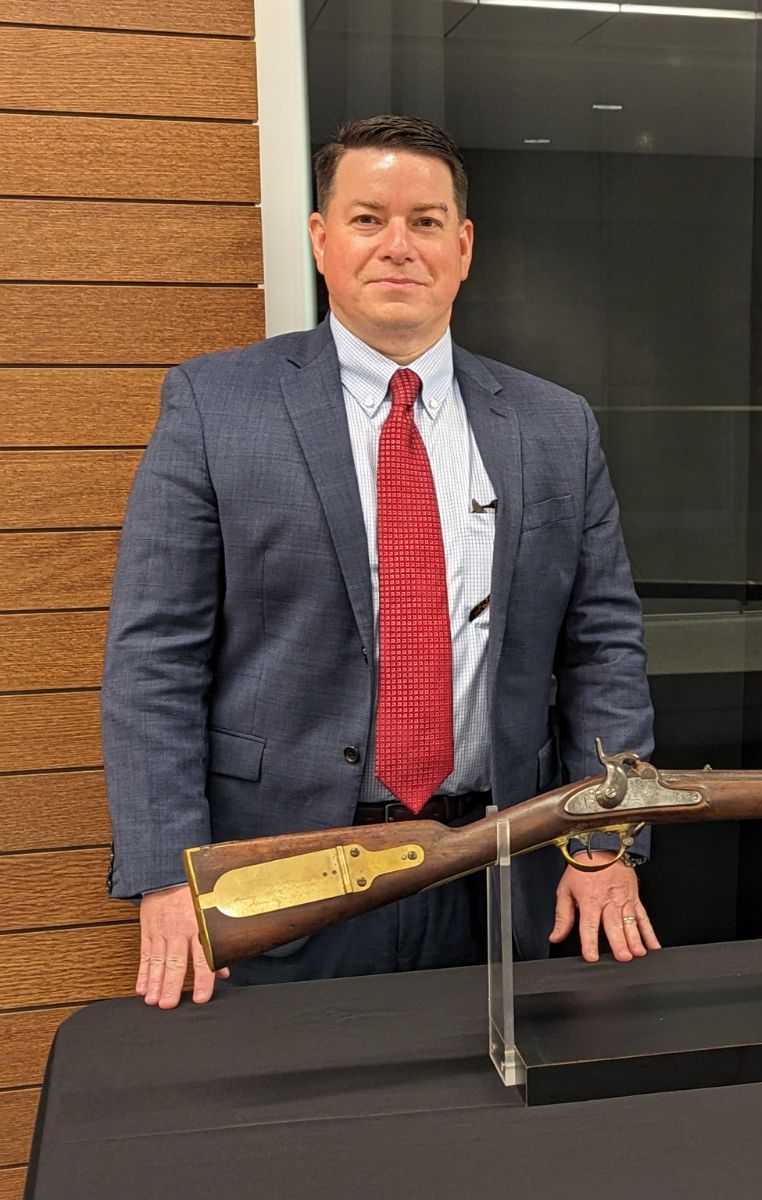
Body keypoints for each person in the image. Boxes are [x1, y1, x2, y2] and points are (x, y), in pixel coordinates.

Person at [102, 115, 658, 1007]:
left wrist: (605, 843)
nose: (398, 246)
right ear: (322, 240)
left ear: (464, 247)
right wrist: (170, 877)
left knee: (499, 1134)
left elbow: (603, 651)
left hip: (496, 874)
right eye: (367, 219)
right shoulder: (216, 404)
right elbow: (153, 660)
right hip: (277, 883)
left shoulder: (555, 426)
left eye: (426, 222)